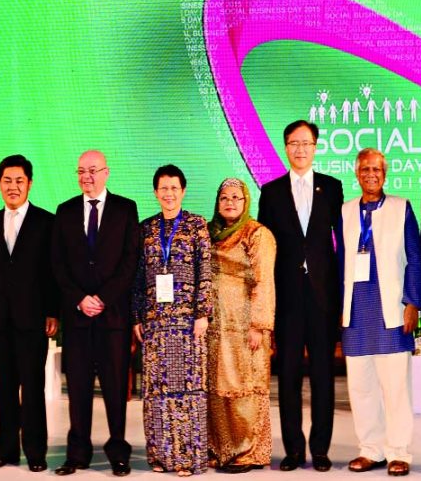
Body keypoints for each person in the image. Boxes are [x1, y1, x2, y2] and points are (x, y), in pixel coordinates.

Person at [257, 119, 343, 472]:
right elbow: (264, 250)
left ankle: (320, 448)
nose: (300, 149)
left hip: (323, 298)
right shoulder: (271, 191)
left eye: (306, 143)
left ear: (316, 146)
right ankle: (293, 449)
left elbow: (343, 243)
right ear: (285, 147)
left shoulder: (332, 188)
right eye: (294, 143)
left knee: (324, 374)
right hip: (287, 298)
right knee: (289, 375)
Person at [52, 149, 139, 477]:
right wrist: (79, 299)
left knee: (116, 389)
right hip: (77, 318)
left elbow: (130, 261)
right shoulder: (65, 211)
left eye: (92, 170)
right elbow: (57, 264)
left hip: (113, 316)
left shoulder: (126, 209)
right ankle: (77, 453)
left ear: (106, 172)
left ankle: (118, 451)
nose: (86, 176)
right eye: (80, 171)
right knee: (77, 390)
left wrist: (102, 297)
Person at [0, 154, 59, 472]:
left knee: (32, 387)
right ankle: (5, 450)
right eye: (7, 180)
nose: (13, 186)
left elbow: (52, 273)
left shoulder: (45, 222)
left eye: (19, 180)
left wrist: (53, 311)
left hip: (33, 319)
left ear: (30, 184)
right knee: (3, 387)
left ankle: (35, 453)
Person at [340, 148, 421, 477]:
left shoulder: (402, 208)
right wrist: (339, 308)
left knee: (396, 387)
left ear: (385, 173)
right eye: (365, 169)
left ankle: (398, 451)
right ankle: (370, 449)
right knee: (361, 387)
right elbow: (341, 262)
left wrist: (413, 302)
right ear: (357, 173)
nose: (371, 174)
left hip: (391, 311)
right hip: (357, 312)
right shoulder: (346, 212)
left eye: (377, 169)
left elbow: (415, 258)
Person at [132, 165, 212, 477]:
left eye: (174, 188)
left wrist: (202, 312)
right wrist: (137, 316)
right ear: (155, 192)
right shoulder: (146, 229)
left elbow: (205, 270)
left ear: (183, 191)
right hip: (155, 323)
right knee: (158, 391)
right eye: (163, 188)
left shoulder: (196, 225)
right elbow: (138, 277)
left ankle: (188, 459)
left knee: (188, 390)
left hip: (188, 322)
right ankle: (161, 457)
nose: (168, 194)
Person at [206, 178, 276, 474]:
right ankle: (220, 448)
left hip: (246, 325)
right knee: (216, 387)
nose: (230, 202)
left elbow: (264, 280)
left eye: (236, 197)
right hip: (215, 326)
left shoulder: (257, 233)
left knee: (244, 386)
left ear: (246, 201)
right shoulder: (209, 233)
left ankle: (247, 451)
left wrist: (259, 325)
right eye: (224, 197)